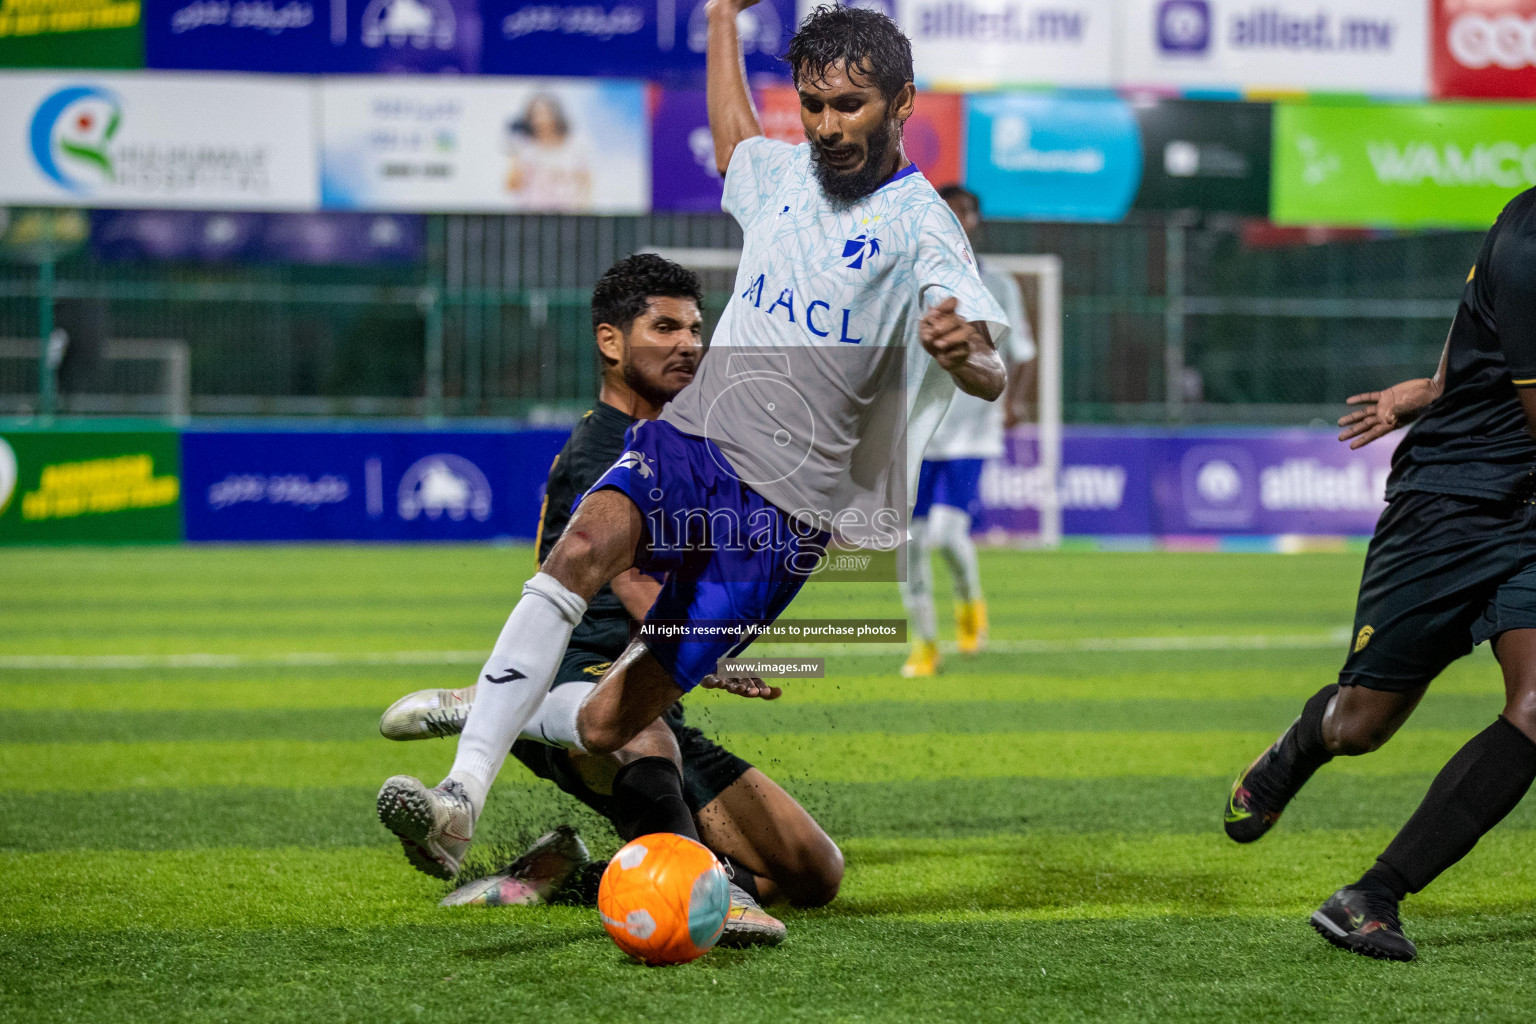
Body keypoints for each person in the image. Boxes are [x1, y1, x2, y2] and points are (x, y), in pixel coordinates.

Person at [376, 2, 1008, 900]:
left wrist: (964, 354)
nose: (826, 127)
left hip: (790, 510)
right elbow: (734, 141)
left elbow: (986, 361)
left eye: (851, 107)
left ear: (902, 102)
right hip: (700, 440)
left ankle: (492, 702)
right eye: (814, 104)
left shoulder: (922, 226)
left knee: (605, 723)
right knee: (585, 545)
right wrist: (719, 18)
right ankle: (459, 799)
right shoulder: (782, 174)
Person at [379, 253, 843, 945]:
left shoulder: (682, 446)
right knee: (637, 736)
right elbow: (632, 584)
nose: (689, 343)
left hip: (649, 691)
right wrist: (708, 649)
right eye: (664, 327)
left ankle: (567, 871)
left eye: (695, 327)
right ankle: (517, 711)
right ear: (611, 341)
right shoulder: (606, 449)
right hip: (583, 678)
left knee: (812, 873)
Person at [1224, 187, 1536, 962]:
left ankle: (1371, 894)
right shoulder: (1532, 241)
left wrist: (1435, 385)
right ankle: (1305, 740)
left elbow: (1476, 319)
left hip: (1528, 511)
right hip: (1454, 501)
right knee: (1362, 726)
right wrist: (1446, 403)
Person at [898, 185, 1036, 676]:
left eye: (965, 212)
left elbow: (1022, 353)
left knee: (946, 537)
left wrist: (1014, 401)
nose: (957, 219)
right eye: (948, 211)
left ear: (974, 222)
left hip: (970, 434)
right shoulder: (904, 278)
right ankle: (924, 644)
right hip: (914, 435)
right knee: (907, 544)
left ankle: (970, 600)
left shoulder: (997, 284)